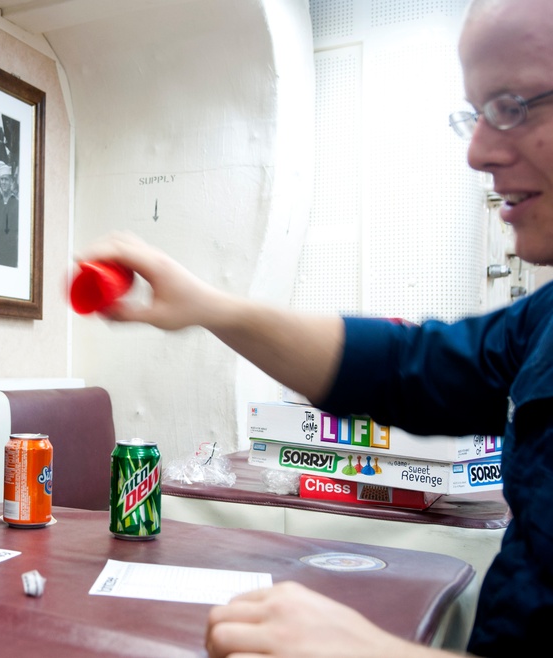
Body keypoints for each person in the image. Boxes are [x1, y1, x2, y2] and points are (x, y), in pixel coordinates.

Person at [80, 1, 553, 655]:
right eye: (476, 114)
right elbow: (404, 366)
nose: (478, 152)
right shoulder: (544, 319)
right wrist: (211, 307)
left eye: (512, 106)